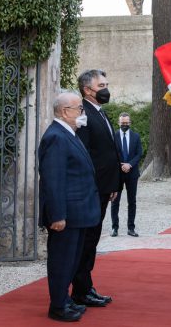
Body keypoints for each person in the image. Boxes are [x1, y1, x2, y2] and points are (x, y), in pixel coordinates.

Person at [38, 92, 100, 322]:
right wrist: (57, 215)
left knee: (72, 260)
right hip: (67, 215)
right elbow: (53, 180)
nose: (82, 114)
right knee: (62, 260)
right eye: (79, 109)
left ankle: (64, 300)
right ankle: (57, 305)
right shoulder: (56, 136)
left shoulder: (68, 133)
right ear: (65, 111)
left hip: (79, 213)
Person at [71, 69, 119, 307]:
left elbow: (107, 152)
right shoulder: (83, 114)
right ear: (87, 90)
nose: (106, 89)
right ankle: (81, 290)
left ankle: (85, 286)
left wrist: (113, 184)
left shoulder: (99, 112)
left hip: (103, 188)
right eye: (101, 86)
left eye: (106, 84)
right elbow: (85, 154)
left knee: (93, 239)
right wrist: (95, 186)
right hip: (92, 189)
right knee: (87, 240)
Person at [111, 112, 143, 237]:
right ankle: (115, 228)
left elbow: (139, 153)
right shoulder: (114, 136)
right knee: (115, 201)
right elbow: (112, 153)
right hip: (117, 173)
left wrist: (129, 165)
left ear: (130, 123)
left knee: (132, 201)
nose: (124, 125)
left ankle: (131, 228)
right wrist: (121, 165)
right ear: (119, 123)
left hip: (132, 172)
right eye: (122, 123)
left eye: (126, 123)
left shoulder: (136, 136)